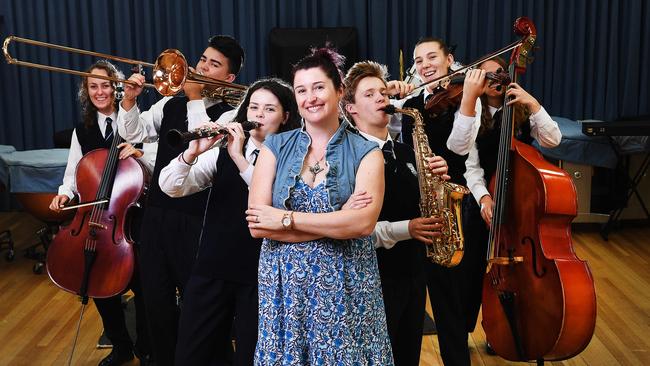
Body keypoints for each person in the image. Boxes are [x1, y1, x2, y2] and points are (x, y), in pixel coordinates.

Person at [246, 47, 393, 365]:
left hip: (346, 285)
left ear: (339, 91)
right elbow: (258, 224)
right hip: (284, 287)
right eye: (301, 90)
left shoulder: (367, 152)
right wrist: (338, 222)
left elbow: (362, 225)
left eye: (318, 87)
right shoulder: (275, 147)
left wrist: (283, 219)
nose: (309, 97)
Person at [116, 35, 245, 365]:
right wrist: (129, 101)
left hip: (197, 221)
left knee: (199, 308)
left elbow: (201, 140)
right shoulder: (168, 103)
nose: (201, 66)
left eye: (213, 64)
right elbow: (133, 133)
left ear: (229, 78)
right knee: (156, 303)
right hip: (157, 214)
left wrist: (194, 97)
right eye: (202, 59)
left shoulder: (231, 116)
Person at [158, 78, 300, 365]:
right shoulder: (224, 151)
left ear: (285, 117)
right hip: (213, 267)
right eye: (254, 107)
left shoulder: (294, 158)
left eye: (269, 109)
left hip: (262, 276)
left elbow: (270, 204)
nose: (258, 115)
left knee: (251, 356)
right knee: (191, 353)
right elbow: (170, 187)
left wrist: (240, 159)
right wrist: (191, 153)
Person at [341, 60, 450, 365]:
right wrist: (408, 229)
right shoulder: (348, 156)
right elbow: (352, 227)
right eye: (369, 94)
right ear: (350, 108)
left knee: (407, 356)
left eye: (383, 92)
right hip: (372, 278)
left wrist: (439, 181)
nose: (381, 99)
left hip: (414, 274)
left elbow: (421, 204)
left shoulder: (405, 151)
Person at [49, 60, 154, 366]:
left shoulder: (137, 121)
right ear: (86, 91)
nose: (99, 92)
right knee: (97, 280)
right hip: (95, 219)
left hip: (132, 218)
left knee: (145, 286)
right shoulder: (82, 130)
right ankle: (120, 346)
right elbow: (73, 174)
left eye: (105, 85)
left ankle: (147, 347)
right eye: (92, 86)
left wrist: (141, 154)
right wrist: (64, 194)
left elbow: (155, 159)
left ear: (117, 88)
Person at [395, 37, 483, 366]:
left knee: (450, 305)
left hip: (453, 207)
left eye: (432, 57)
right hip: (417, 206)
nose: (425, 64)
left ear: (449, 59)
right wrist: (392, 94)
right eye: (419, 60)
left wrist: (470, 98)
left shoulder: (465, 96)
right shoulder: (414, 101)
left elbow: (459, 148)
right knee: (411, 301)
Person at [461, 57, 561, 342]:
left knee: (518, 271)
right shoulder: (472, 113)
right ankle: (464, 330)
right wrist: (483, 199)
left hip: (521, 205)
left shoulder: (522, 110)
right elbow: (472, 167)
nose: (494, 81)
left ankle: (504, 330)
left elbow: (554, 140)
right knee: (471, 272)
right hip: (484, 203)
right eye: (486, 76)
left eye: (499, 74)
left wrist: (533, 103)